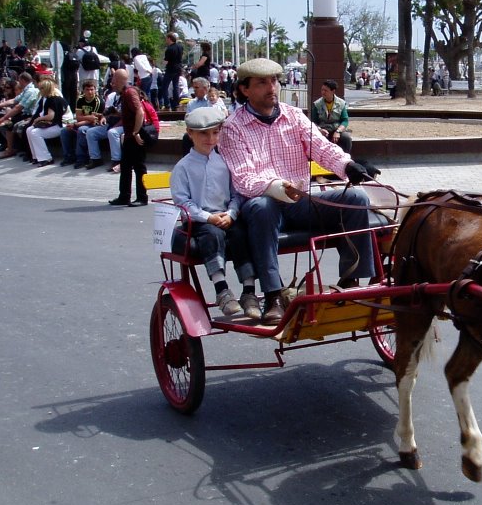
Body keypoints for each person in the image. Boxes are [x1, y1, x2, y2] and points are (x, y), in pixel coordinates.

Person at [218, 58, 375, 326]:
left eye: (274, 81)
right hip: (264, 205)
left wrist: (348, 166)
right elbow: (244, 178)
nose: (272, 87)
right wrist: (277, 186)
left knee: (357, 198)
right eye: (262, 83)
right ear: (244, 90)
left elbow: (323, 149)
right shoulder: (233, 127)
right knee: (261, 207)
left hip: (300, 203)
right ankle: (273, 295)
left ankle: (351, 280)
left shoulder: (294, 116)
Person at [171, 105, 261, 319]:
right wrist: (208, 217)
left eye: (215, 132)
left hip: (226, 217)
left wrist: (231, 213)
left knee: (242, 234)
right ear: (190, 133)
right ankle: (221, 289)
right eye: (203, 133)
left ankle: (249, 292)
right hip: (198, 221)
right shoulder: (182, 168)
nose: (210, 139)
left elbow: (236, 194)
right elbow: (183, 202)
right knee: (212, 234)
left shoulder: (224, 162)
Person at [107, 69, 151, 207]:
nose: (112, 82)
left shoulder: (129, 92)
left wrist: (136, 132)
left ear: (120, 80)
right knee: (125, 166)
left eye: (114, 79)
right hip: (129, 136)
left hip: (134, 136)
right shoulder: (124, 93)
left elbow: (140, 112)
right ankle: (124, 196)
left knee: (139, 167)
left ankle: (142, 197)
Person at [25, 78, 68, 167]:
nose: (40, 90)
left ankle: (46, 158)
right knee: (29, 130)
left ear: (47, 88)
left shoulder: (53, 99)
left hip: (63, 125)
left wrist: (38, 119)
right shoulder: (48, 98)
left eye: (42, 88)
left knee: (35, 133)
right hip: (56, 123)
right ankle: (36, 156)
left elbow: (50, 116)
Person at [63, 80, 103, 167]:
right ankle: (68, 156)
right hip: (82, 122)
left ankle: (81, 158)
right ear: (83, 91)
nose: (90, 92)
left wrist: (76, 124)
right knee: (64, 131)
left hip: (93, 125)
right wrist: (85, 118)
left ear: (95, 90)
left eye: (92, 89)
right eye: (87, 90)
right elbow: (78, 117)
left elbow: (93, 120)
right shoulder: (80, 99)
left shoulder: (98, 101)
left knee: (82, 130)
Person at [310, 79, 352, 153]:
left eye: (326, 90)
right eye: (322, 90)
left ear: (333, 91)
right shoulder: (317, 104)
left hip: (336, 129)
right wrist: (319, 130)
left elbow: (345, 120)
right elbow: (313, 122)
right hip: (323, 130)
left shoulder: (341, 103)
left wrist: (338, 131)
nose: (323, 92)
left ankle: (346, 159)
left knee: (346, 138)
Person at [161, 32, 183, 111]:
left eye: (166, 39)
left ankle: (167, 104)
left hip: (170, 69)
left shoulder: (169, 49)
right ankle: (176, 103)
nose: (166, 40)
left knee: (164, 86)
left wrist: (162, 63)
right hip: (178, 68)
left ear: (170, 39)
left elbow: (166, 61)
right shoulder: (180, 47)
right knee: (175, 86)